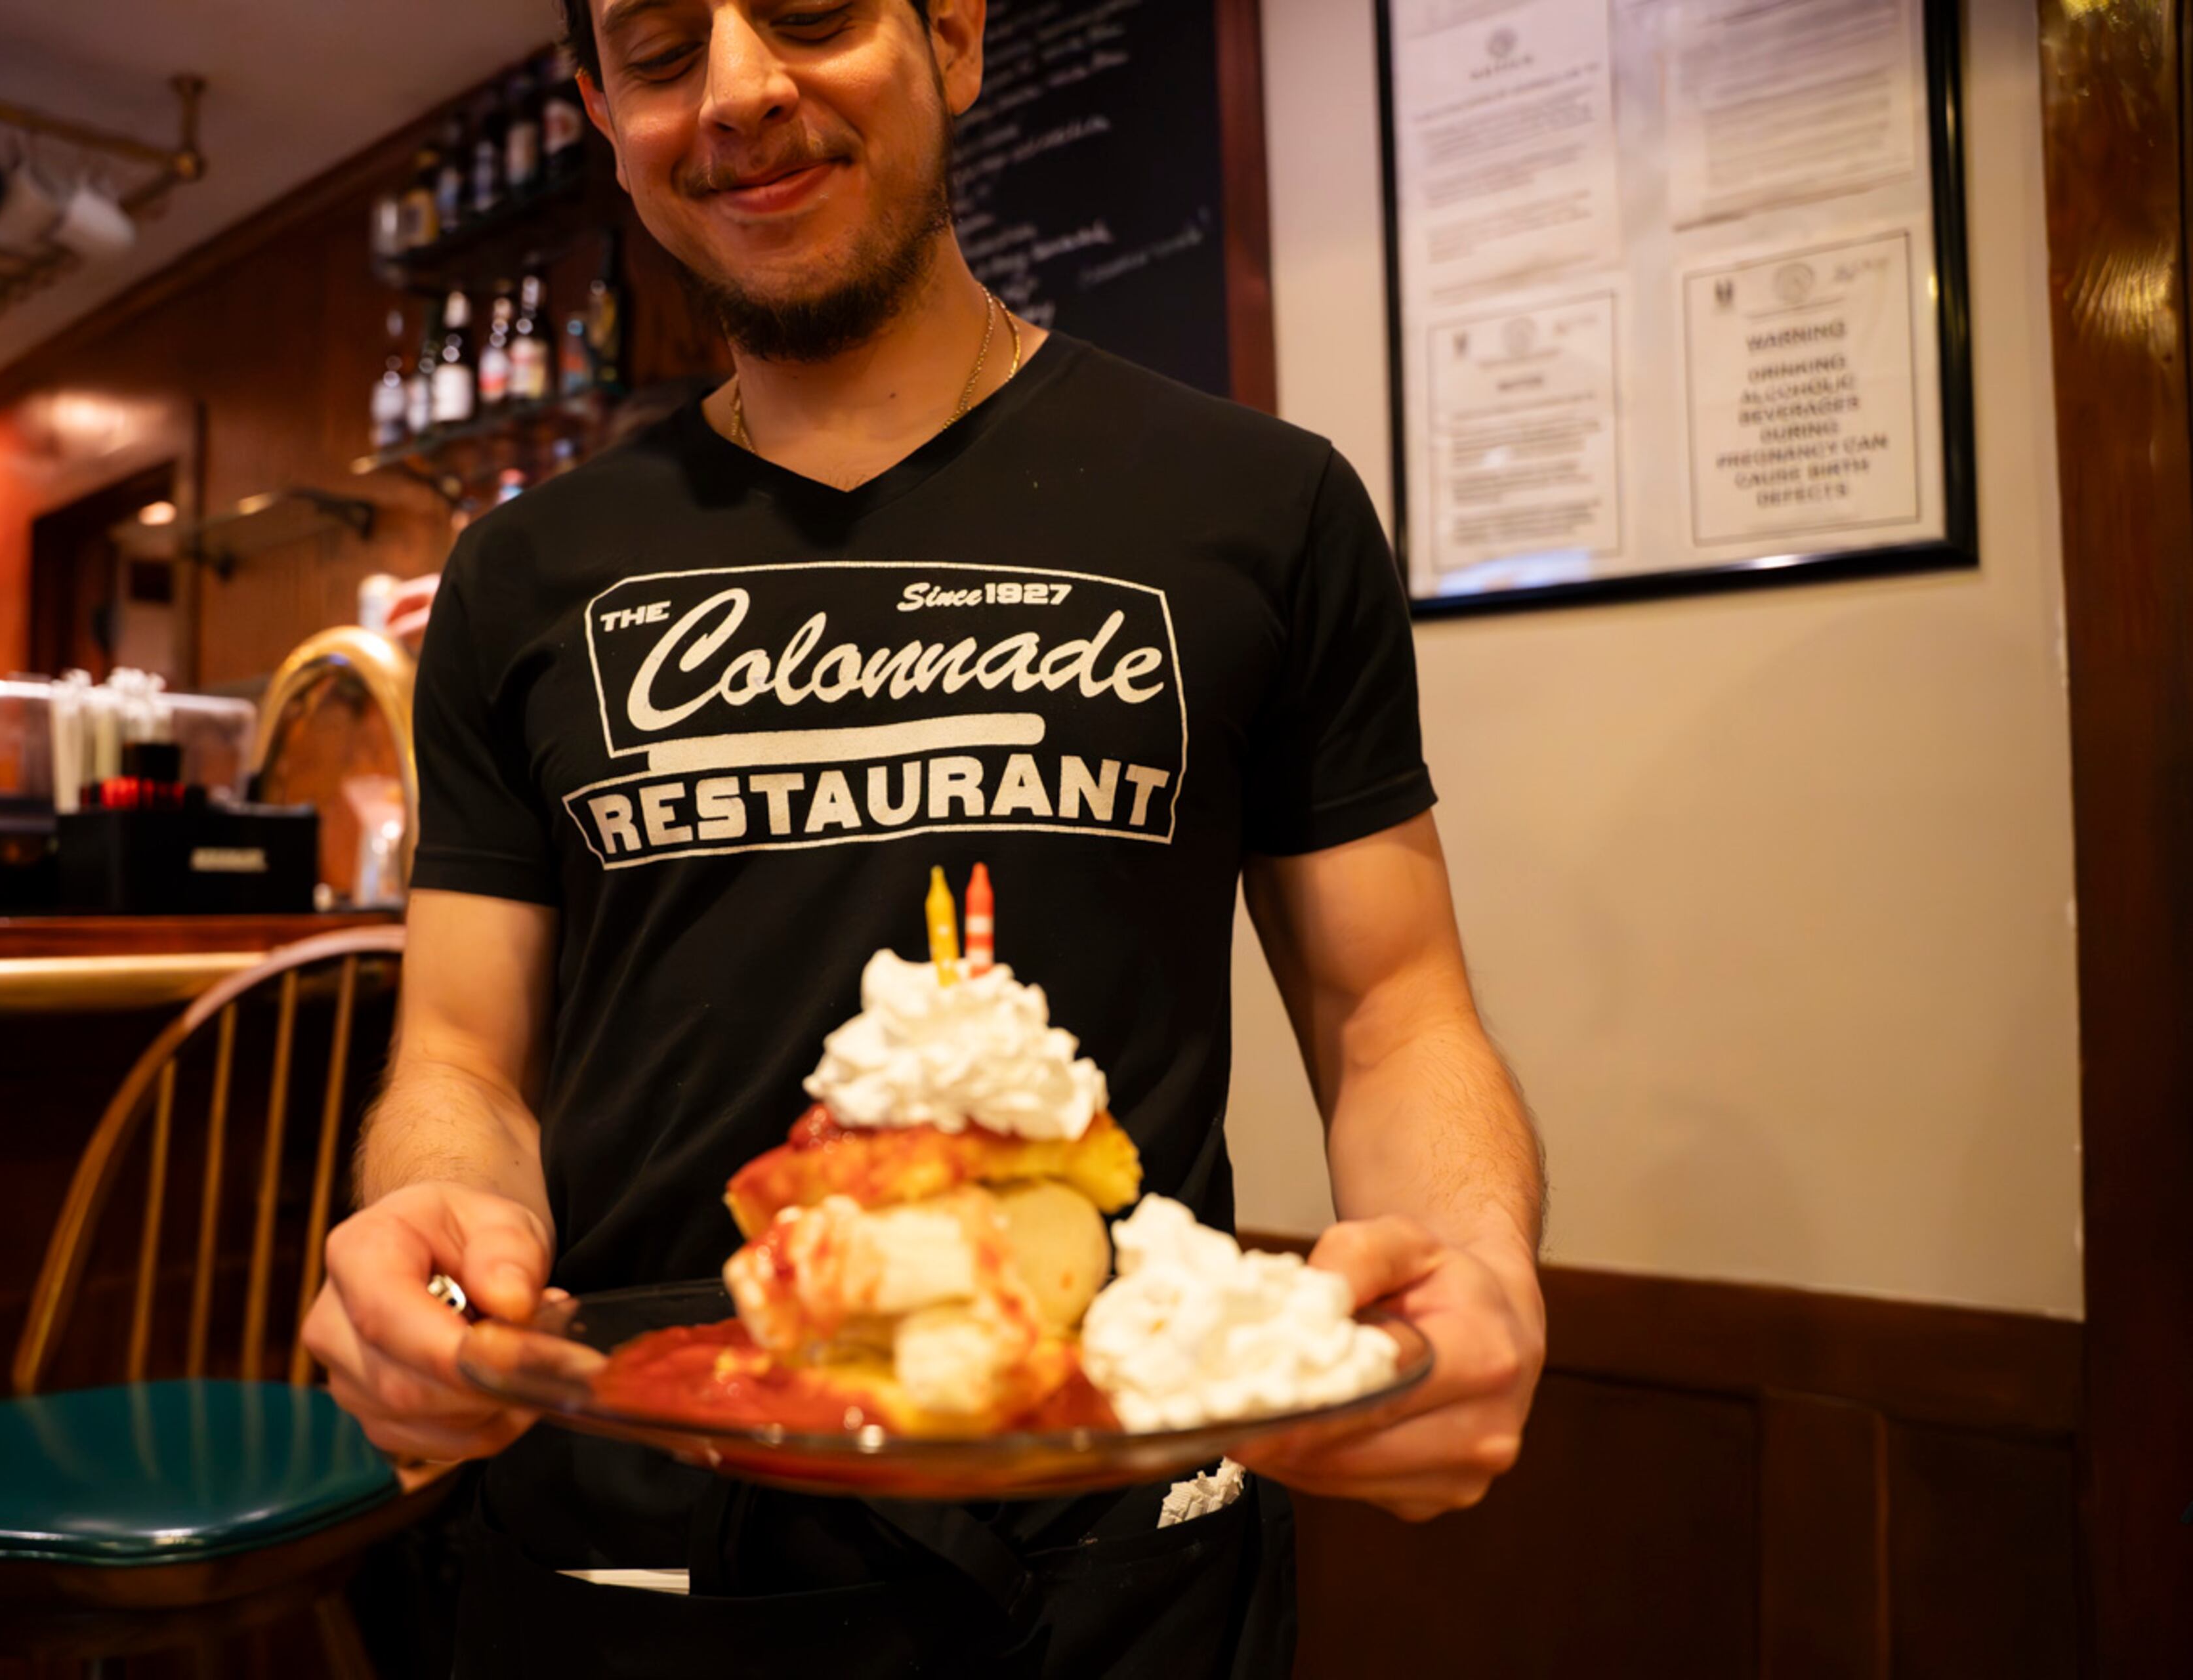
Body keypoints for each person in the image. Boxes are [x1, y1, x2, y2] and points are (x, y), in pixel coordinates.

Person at [304, 1, 1545, 1671]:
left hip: (1114, 1535)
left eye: (812, 13)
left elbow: (1394, 1012)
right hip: (634, 1527)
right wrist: (434, 1232)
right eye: (665, 53)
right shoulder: (522, 575)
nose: (741, 91)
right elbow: (461, 1050)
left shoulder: (1263, 505)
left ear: (953, 36)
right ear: (603, 110)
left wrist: (1468, 1268)